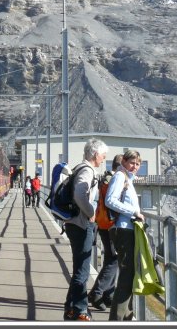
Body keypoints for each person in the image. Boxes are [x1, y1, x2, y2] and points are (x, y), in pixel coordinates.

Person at [62, 138, 108, 322]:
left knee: (79, 269)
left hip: (75, 223)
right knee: (82, 270)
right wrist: (91, 213)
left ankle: (71, 309)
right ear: (96, 154)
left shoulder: (79, 167)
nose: (104, 158)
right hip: (81, 224)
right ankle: (80, 310)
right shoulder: (87, 171)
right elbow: (80, 194)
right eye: (103, 155)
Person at [106, 149, 145, 322]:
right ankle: (117, 320)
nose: (135, 166)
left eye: (138, 164)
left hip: (127, 230)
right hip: (122, 230)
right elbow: (110, 200)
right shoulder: (120, 177)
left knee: (128, 275)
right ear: (123, 162)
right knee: (127, 277)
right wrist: (134, 212)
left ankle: (126, 316)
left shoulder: (128, 178)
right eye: (132, 162)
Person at [88, 154, 122, 310]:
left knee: (111, 257)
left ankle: (108, 295)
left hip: (102, 223)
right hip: (110, 225)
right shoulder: (114, 180)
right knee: (114, 259)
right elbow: (112, 203)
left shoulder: (106, 178)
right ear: (121, 165)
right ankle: (97, 293)